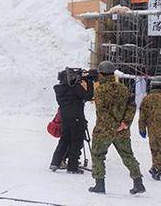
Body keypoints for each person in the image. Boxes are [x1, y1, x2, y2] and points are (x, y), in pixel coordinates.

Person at [88, 61, 145, 195]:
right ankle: (138, 183)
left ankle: (99, 184)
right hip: (122, 130)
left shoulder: (100, 90)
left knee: (98, 155)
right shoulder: (123, 89)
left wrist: (113, 126)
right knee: (127, 156)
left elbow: (102, 112)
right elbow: (132, 106)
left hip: (104, 130)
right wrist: (124, 124)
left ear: (101, 74)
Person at [49, 68, 94, 173]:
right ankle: (72, 167)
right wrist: (89, 82)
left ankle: (55, 162)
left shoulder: (59, 90)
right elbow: (88, 96)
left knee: (64, 140)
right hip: (77, 118)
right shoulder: (74, 88)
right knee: (76, 141)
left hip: (65, 119)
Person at [139, 80, 161, 180]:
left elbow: (142, 116)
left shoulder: (146, 99)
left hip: (152, 129)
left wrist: (142, 129)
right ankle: (157, 168)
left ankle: (156, 167)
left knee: (154, 149)